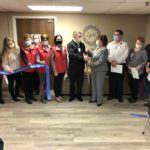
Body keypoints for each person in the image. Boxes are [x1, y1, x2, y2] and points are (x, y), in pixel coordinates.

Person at [107, 30, 129, 103]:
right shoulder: (110, 44)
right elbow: (107, 54)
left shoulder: (124, 44)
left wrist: (117, 61)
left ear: (121, 36)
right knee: (112, 80)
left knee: (119, 81)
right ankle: (111, 95)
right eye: (114, 35)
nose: (115, 36)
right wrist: (111, 61)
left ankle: (119, 96)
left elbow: (125, 54)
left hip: (120, 65)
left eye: (116, 35)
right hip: (111, 64)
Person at [87, 35, 108, 106]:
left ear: (102, 41)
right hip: (94, 69)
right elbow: (93, 55)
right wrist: (88, 52)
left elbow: (101, 61)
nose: (97, 41)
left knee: (99, 85)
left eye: (98, 40)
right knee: (94, 85)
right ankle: (93, 98)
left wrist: (91, 65)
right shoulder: (97, 48)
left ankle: (99, 101)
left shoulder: (104, 50)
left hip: (101, 70)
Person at [2, 37, 23, 102]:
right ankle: (13, 97)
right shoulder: (5, 53)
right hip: (10, 71)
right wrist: (9, 70)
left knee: (19, 82)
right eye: (9, 43)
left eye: (12, 42)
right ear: (6, 45)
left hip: (18, 70)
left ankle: (17, 94)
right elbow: (4, 64)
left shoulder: (17, 49)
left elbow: (21, 55)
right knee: (11, 84)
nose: (11, 44)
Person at [67, 31, 87, 102]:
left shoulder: (82, 45)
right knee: (72, 83)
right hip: (73, 68)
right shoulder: (70, 44)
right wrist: (82, 58)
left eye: (80, 36)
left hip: (81, 68)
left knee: (80, 83)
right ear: (74, 36)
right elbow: (72, 54)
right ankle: (72, 95)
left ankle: (79, 95)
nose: (80, 37)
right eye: (79, 36)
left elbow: (84, 53)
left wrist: (86, 58)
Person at [127, 37, 148, 103]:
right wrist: (128, 65)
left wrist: (140, 66)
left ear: (142, 44)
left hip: (138, 72)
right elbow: (128, 59)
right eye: (137, 43)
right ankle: (132, 96)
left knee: (135, 85)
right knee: (131, 84)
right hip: (130, 71)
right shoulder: (131, 50)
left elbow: (145, 61)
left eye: (139, 43)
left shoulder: (144, 51)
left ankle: (134, 98)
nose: (138, 44)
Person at [20, 34, 37, 104]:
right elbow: (23, 58)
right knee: (26, 85)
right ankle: (27, 98)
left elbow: (36, 56)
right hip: (25, 70)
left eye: (29, 39)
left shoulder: (34, 48)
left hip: (33, 70)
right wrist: (28, 63)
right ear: (24, 41)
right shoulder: (22, 49)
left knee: (32, 84)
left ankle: (31, 96)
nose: (28, 41)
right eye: (26, 40)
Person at [51, 34, 67, 102]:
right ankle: (56, 95)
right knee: (56, 84)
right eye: (57, 39)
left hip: (63, 69)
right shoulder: (53, 49)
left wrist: (66, 70)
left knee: (60, 83)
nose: (59, 40)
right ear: (55, 40)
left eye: (60, 39)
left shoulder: (64, 48)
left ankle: (59, 94)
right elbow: (51, 60)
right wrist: (54, 71)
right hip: (56, 70)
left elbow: (66, 59)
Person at [36, 34, 51, 104]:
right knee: (42, 82)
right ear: (41, 41)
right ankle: (42, 97)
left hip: (49, 69)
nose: (45, 41)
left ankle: (45, 95)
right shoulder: (38, 48)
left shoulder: (50, 47)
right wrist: (41, 61)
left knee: (47, 82)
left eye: (46, 40)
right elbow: (37, 59)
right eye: (43, 40)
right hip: (41, 69)